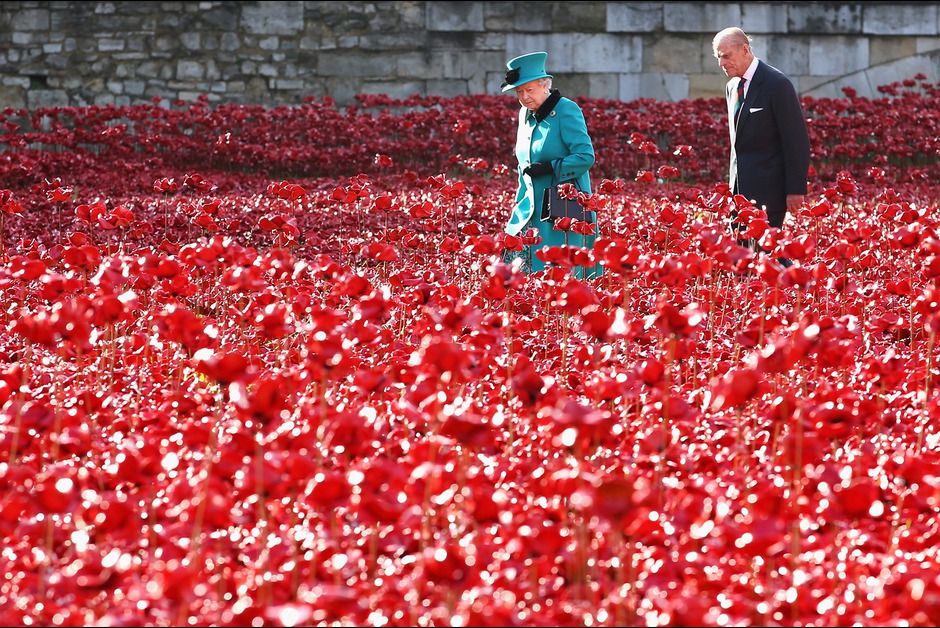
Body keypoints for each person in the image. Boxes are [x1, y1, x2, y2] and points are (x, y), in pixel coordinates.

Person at [712, 27, 810, 267]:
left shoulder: (777, 84)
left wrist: (795, 189)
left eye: (726, 56)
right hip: (739, 192)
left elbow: (796, 140)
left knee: (768, 256)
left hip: (770, 192)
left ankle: (801, 290)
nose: (721, 63)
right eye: (718, 57)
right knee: (744, 260)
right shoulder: (731, 87)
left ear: (745, 50)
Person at [500, 51, 602, 278]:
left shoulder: (566, 109)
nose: (525, 97)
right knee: (516, 273)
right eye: (519, 92)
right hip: (529, 209)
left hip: (563, 211)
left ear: (545, 85)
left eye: (530, 90)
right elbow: (523, 167)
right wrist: (518, 204)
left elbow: (586, 156)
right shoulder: (524, 114)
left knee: (562, 278)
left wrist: (550, 167)